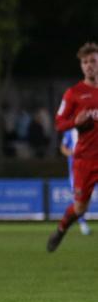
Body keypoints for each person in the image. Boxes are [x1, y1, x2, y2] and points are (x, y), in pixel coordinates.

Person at [49, 41, 98, 252]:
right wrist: (74, 123)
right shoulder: (74, 93)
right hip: (85, 159)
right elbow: (59, 123)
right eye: (85, 62)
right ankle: (61, 230)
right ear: (81, 66)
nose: (89, 65)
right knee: (79, 208)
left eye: (93, 61)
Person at [60, 129, 90, 235]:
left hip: (90, 168)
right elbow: (63, 148)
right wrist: (72, 153)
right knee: (78, 197)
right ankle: (82, 223)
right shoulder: (69, 132)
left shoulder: (90, 130)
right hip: (75, 170)